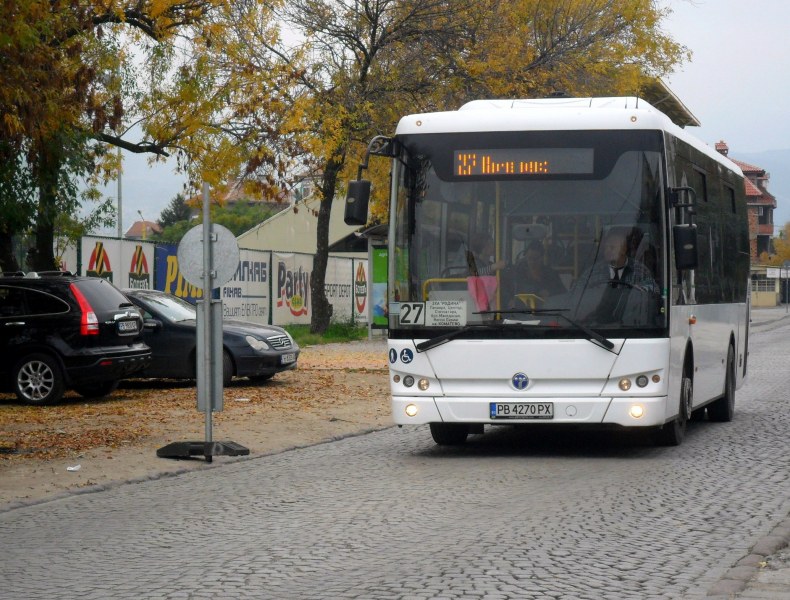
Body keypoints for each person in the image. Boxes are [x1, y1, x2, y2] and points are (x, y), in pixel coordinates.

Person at [572, 226, 659, 323]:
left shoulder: (639, 270)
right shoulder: (594, 271)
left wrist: (635, 291)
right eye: (606, 248)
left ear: (624, 249)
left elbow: (654, 290)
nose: (607, 251)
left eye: (612, 247)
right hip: (596, 325)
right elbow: (576, 292)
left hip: (631, 324)